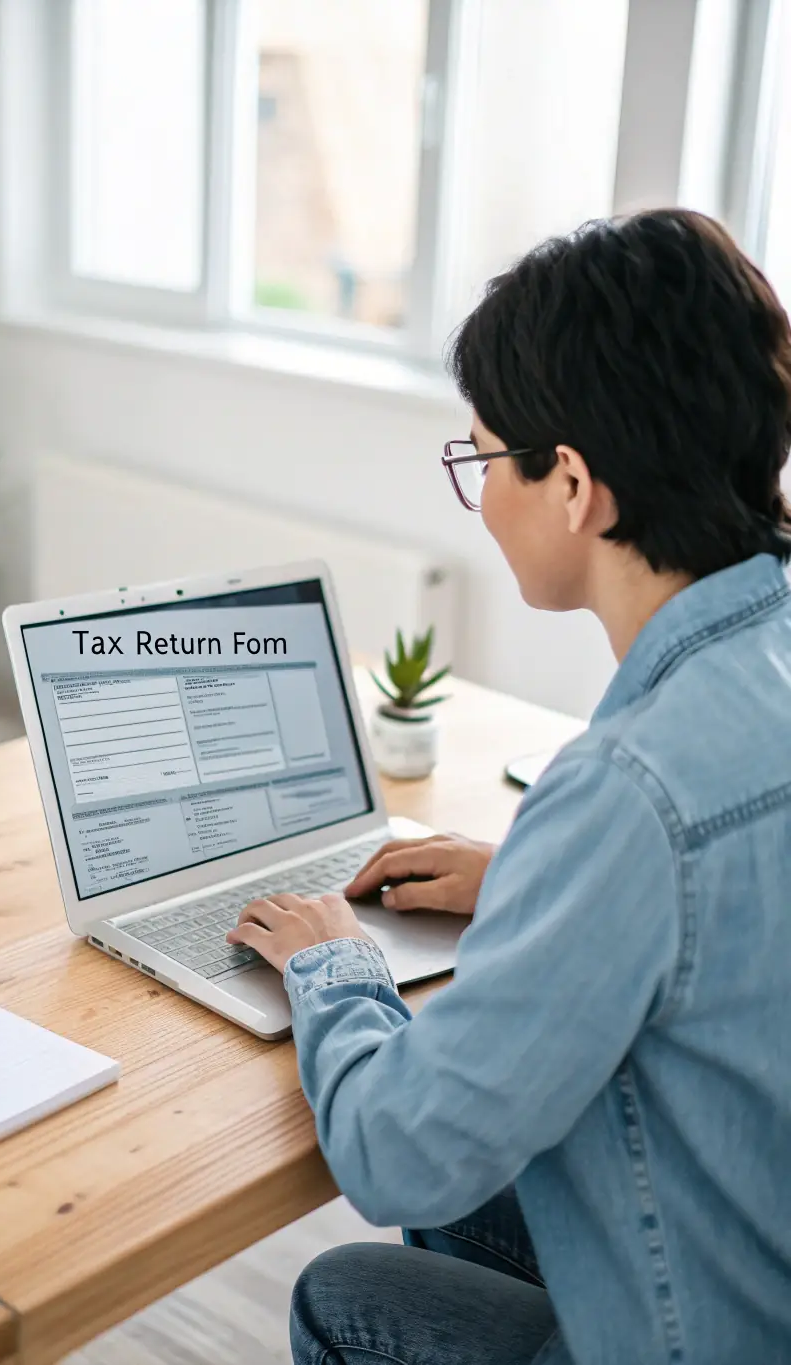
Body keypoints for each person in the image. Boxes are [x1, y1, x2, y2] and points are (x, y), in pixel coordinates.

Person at [227, 209, 791, 1365]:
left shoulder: (632, 793)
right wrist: (526, 885)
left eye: (481, 457)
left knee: (348, 1293)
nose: (478, 492)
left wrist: (333, 960)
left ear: (573, 483)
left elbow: (391, 1154)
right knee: (474, 1180)